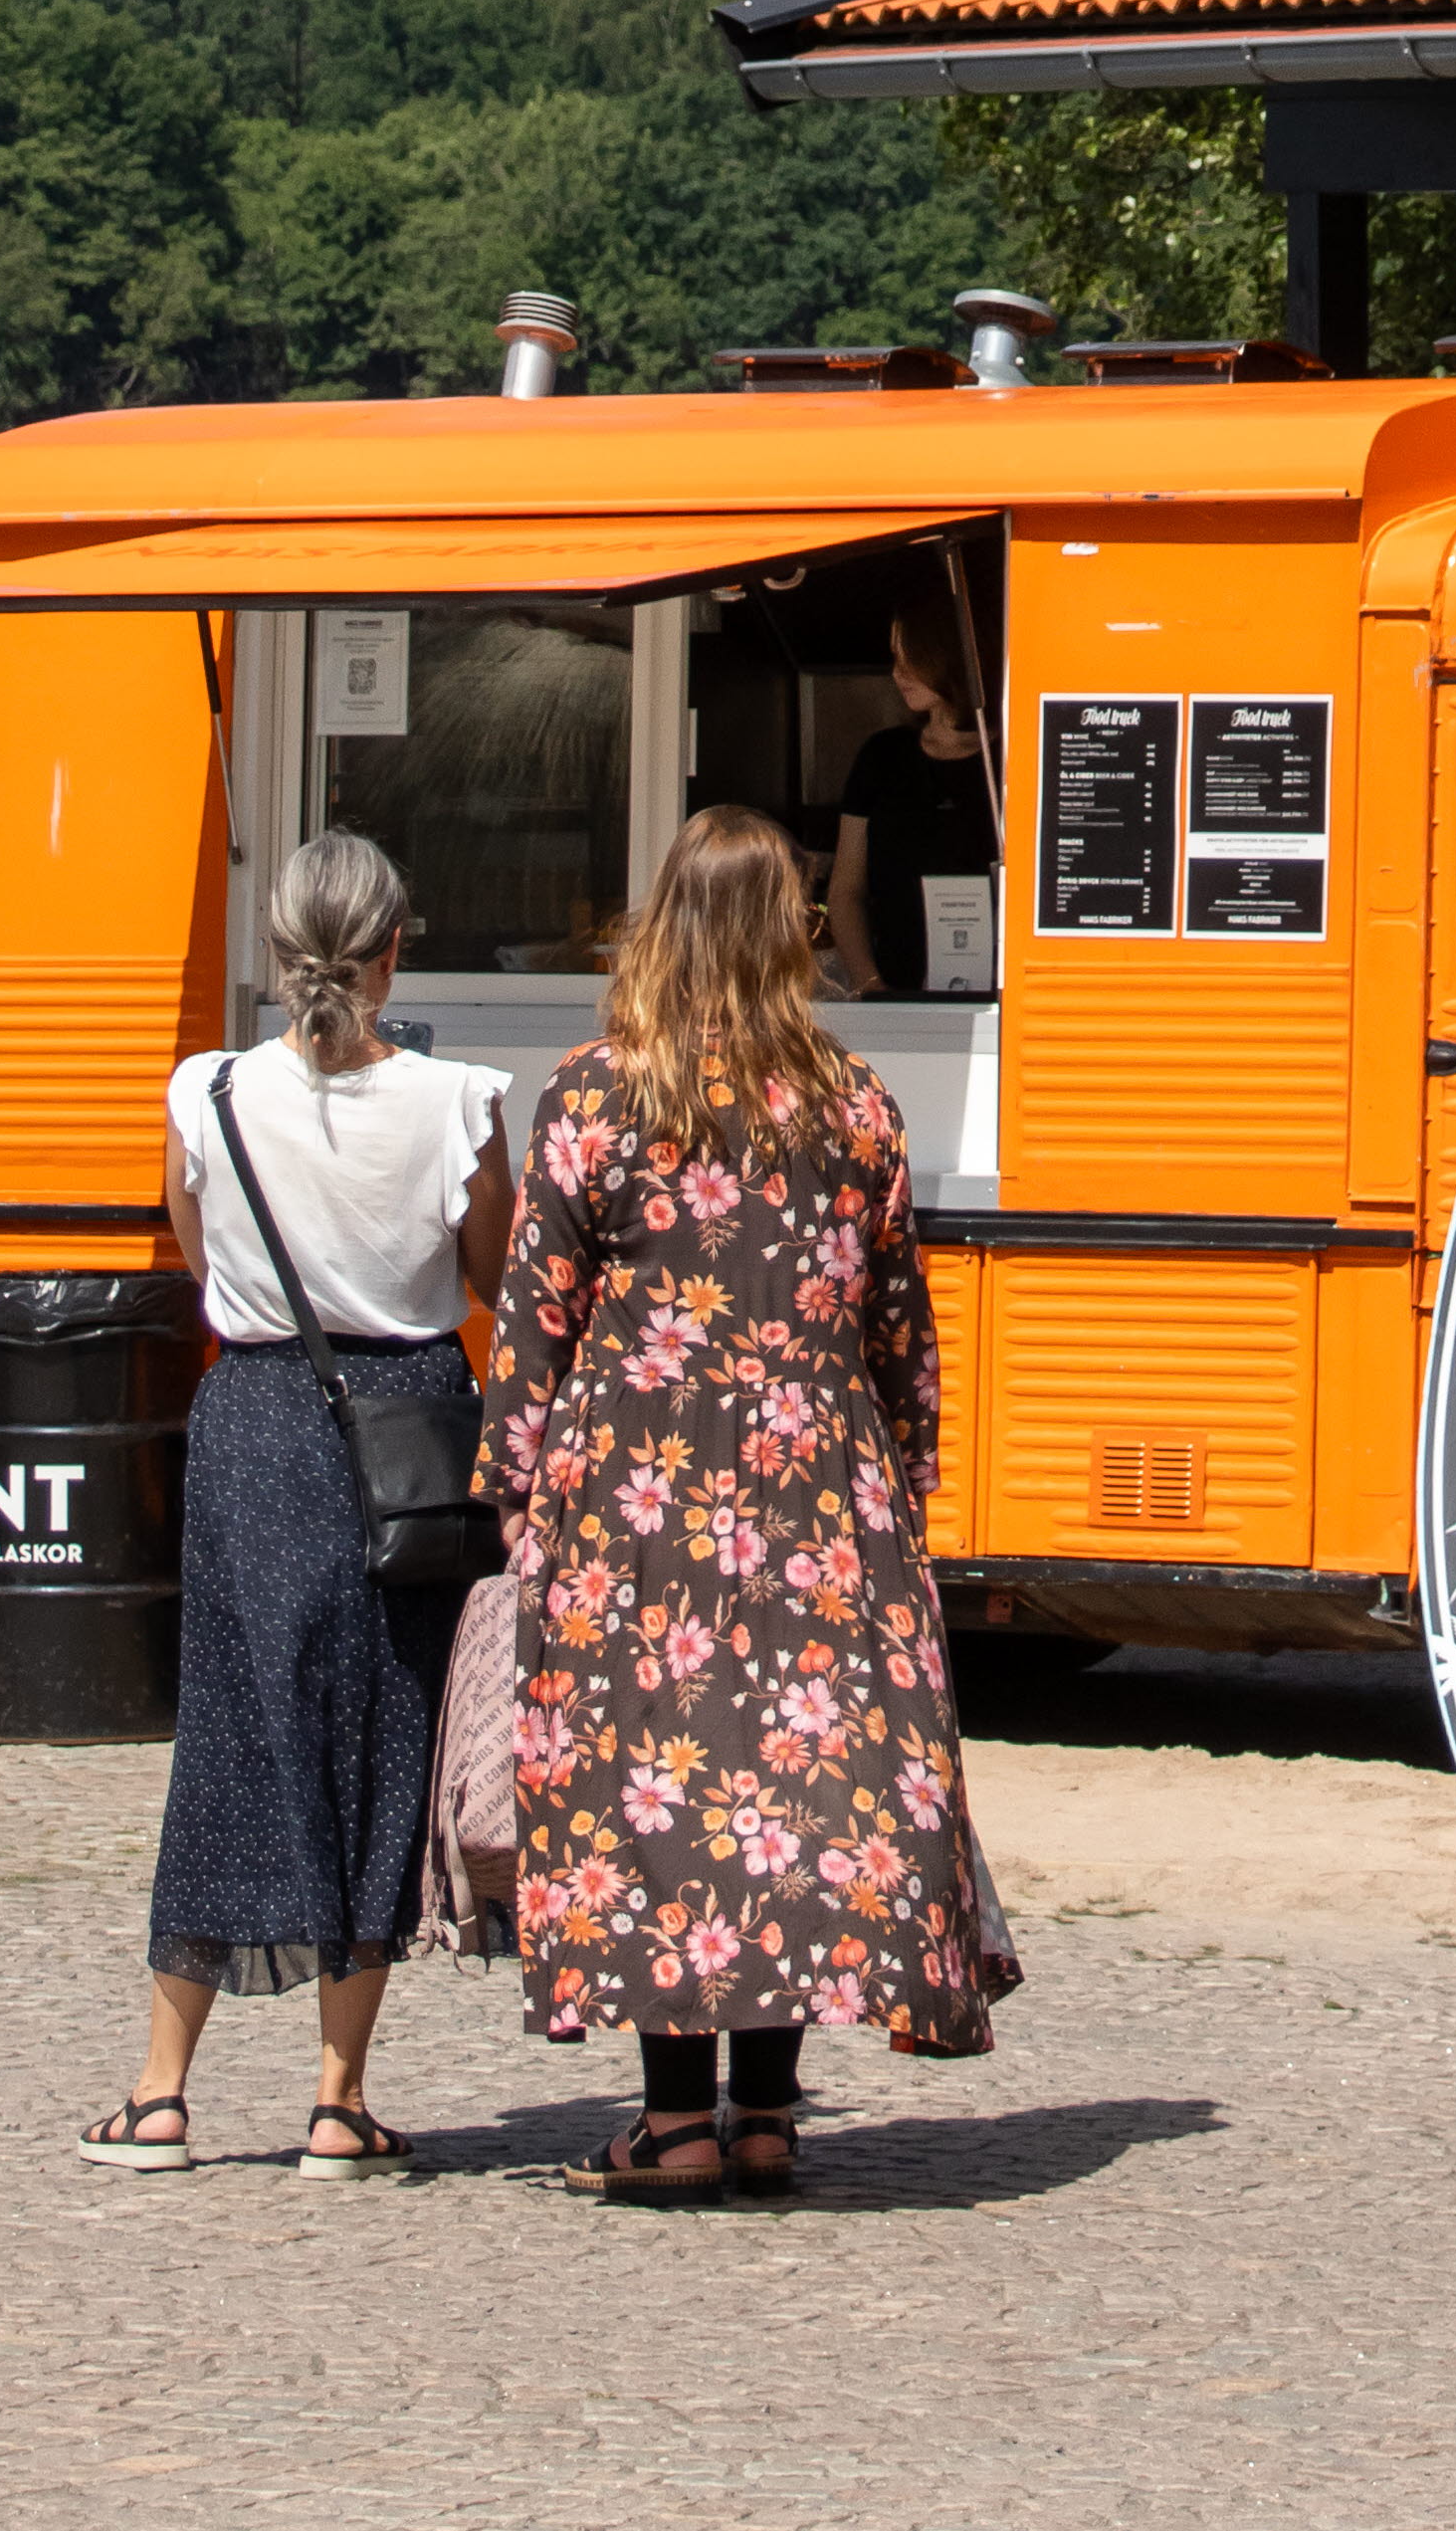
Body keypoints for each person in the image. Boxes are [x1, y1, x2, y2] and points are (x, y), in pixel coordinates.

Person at [488, 805, 1018, 2204]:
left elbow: (535, 1314)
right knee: (783, 1785)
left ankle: (670, 2122)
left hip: (636, 1496)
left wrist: (515, 1490)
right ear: (793, 932)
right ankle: (769, 2110)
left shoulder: (596, 1095)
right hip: (813, 1491)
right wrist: (900, 1476)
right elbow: (899, 1327)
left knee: (653, 1783)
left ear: (659, 923)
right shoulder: (855, 1104)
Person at [80, 831, 515, 2184]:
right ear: (395, 952)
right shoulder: (462, 1101)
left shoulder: (203, 1091)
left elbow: (200, 1256)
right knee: (381, 1741)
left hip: (260, 1419)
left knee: (232, 1733)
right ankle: (340, 2098)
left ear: (275, 957)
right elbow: (491, 1272)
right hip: (411, 1435)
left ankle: (159, 2093)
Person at [821, 611, 998, 999]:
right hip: (894, 993)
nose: (898, 674)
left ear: (951, 658)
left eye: (911, 660)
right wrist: (871, 987)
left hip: (996, 1003)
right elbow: (845, 889)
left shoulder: (1012, 759)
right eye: (895, 659)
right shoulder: (881, 756)